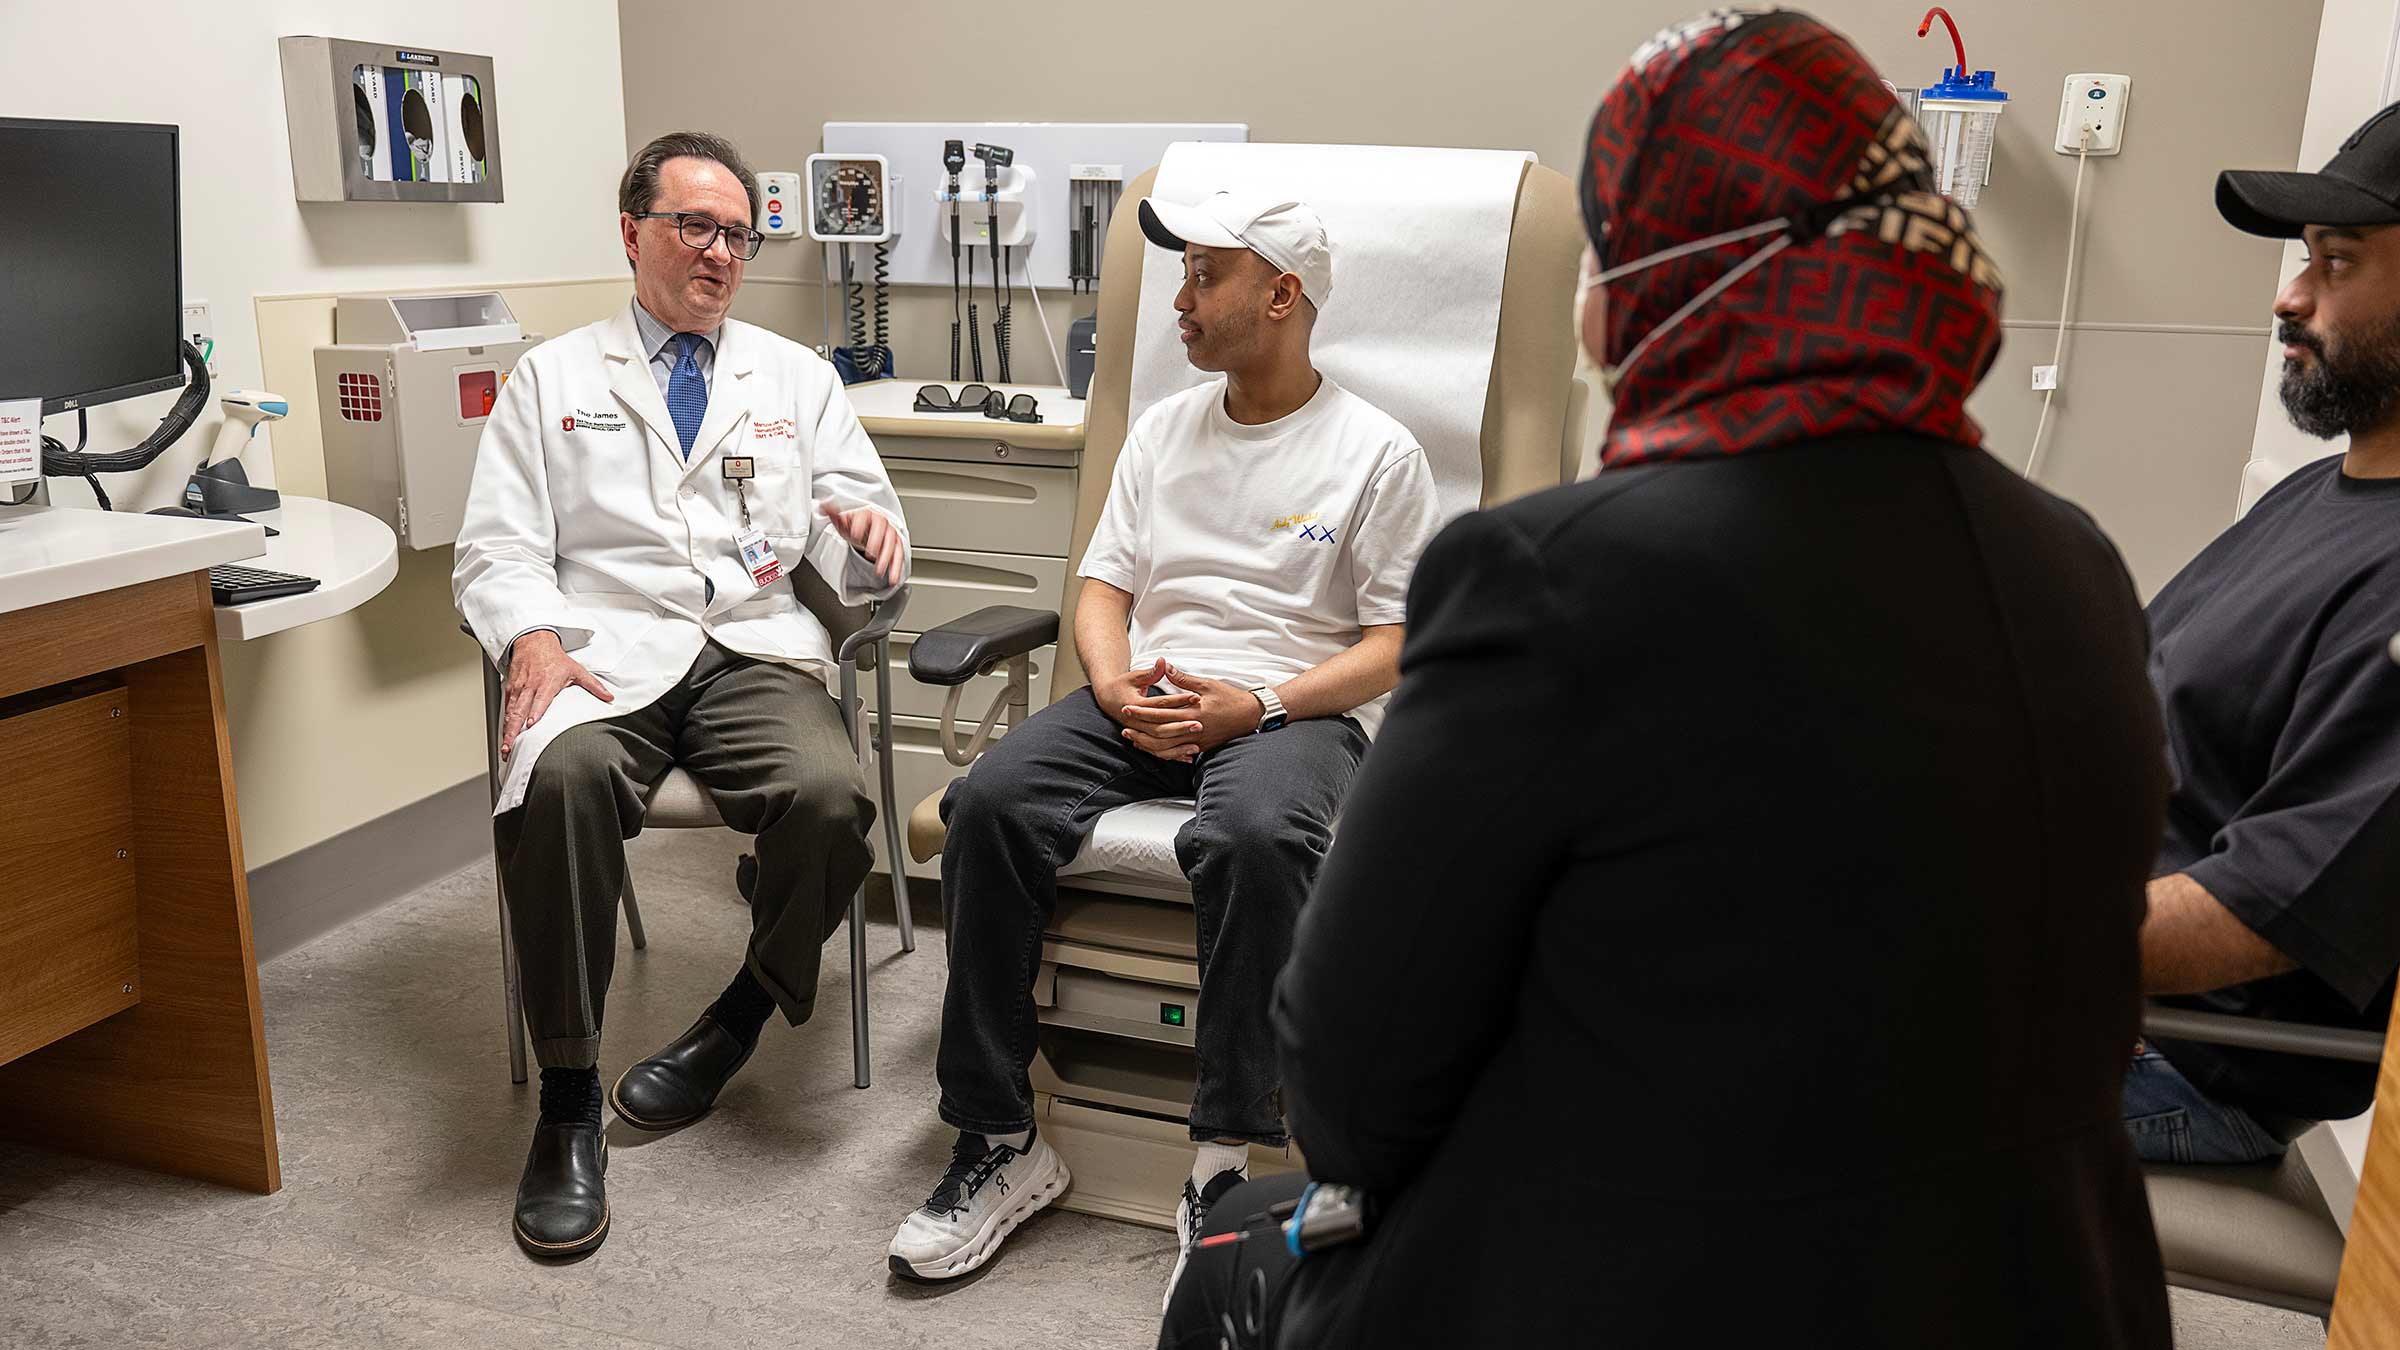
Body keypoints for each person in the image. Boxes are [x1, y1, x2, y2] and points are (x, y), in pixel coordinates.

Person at [1164, 10, 2174, 1347]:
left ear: (1674, 275)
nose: (1589, 306)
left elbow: (1351, 1081)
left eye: (1607, 255)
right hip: (2049, 1285)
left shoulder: (1553, 576)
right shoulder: (2078, 564)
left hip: (1673, 1283)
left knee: (1236, 1260)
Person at [884, 192, 1444, 1298]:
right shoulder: (1164, 430)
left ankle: (1225, 1162)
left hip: (1291, 707)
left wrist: (1262, 706)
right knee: (988, 803)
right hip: (1140, 692)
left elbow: (1395, 641)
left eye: (1205, 277)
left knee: (1253, 835)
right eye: (1181, 278)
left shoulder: (1377, 453)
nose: (1179, 303)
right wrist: (1109, 678)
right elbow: (1104, 585)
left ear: (1282, 294)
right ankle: (1001, 1137)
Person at [452, 130, 907, 1260]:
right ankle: (569, 1102)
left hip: (751, 648)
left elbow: (869, 535)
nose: (719, 253)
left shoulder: (795, 377)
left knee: (830, 801)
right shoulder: (552, 378)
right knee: (557, 783)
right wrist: (533, 640)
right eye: (694, 226)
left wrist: (868, 542)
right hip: (605, 651)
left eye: (738, 236)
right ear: (632, 232)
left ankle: (740, 1012)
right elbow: (494, 552)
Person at [2126, 107, 2400, 1163]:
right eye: (2303, 260)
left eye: (2338, 263)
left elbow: (2266, 912)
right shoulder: (2314, 497)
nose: (2290, 296)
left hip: (2174, 1051)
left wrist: (1996, 930)